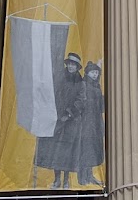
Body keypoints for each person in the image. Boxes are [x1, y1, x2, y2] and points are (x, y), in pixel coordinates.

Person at [35, 53, 85, 189]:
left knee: (67, 152)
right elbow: (52, 94)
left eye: (73, 65)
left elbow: (81, 102)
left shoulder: (81, 83)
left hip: (71, 122)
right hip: (57, 120)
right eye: (69, 64)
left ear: (77, 67)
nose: (70, 66)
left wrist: (69, 115)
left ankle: (66, 181)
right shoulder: (59, 78)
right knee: (55, 150)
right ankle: (57, 180)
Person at [75, 62, 105, 186]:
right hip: (85, 122)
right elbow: (80, 102)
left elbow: (100, 107)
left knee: (92, 149)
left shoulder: (97, 87)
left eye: (97, 72)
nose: (95, 74)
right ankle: (82, 177)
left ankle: (90, 175)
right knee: (84, 149)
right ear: (87, 73)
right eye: (93, 72)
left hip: (95, 122)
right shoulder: (83, 84)